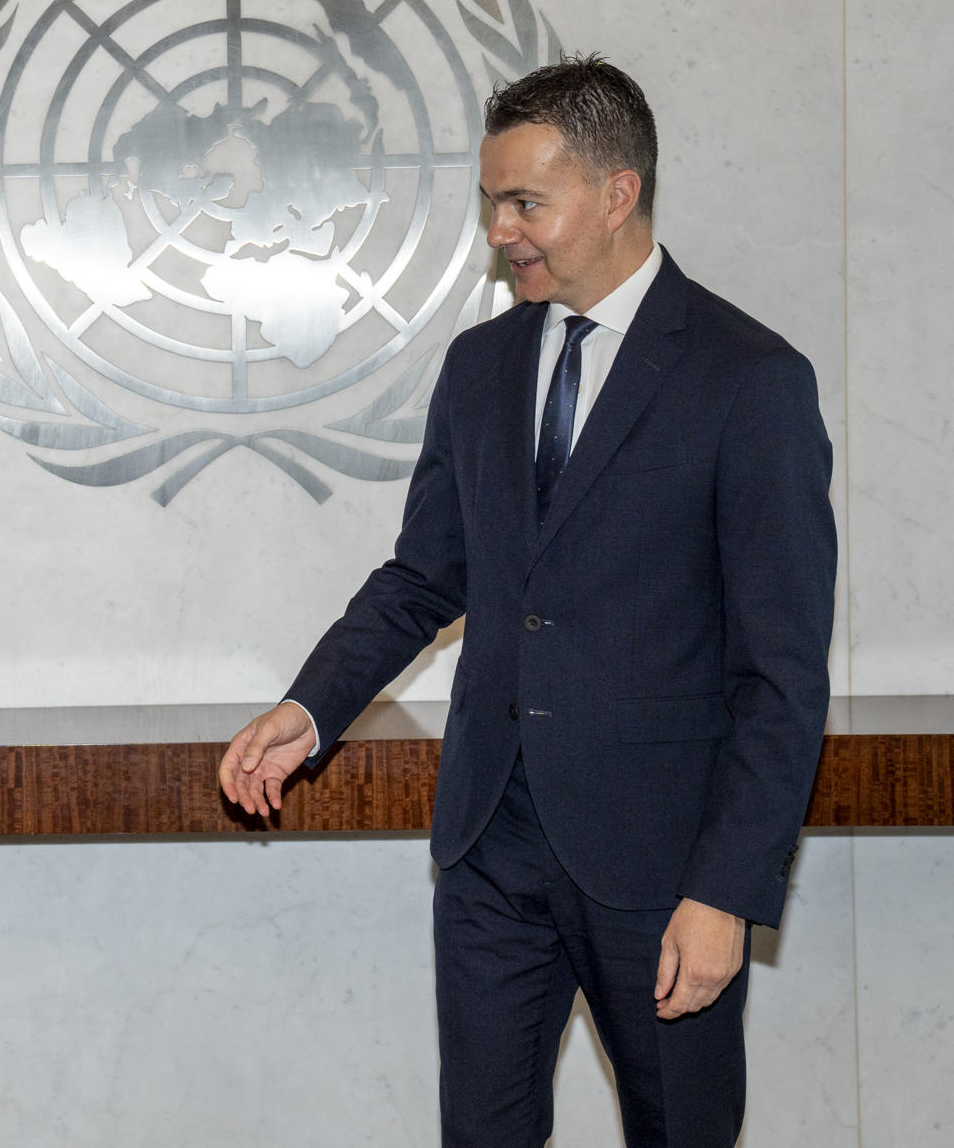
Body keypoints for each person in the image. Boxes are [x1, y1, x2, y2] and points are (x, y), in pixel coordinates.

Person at [220, 56, 834, 1147]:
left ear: (616, 190)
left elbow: (779, 674)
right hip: (490, 846)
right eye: (492, 203)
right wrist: (307, 709)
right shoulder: (480, 367)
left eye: (524, 202)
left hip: (664, 864)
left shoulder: (751, 380)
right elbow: (424, 575)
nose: (502, 231)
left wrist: (727, 891)